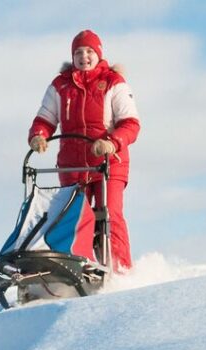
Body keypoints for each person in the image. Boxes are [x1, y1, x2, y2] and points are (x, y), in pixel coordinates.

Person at [27, 29, 141, 270]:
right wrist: (39, 136)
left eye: (89, 51)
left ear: (98, 54)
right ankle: (74, 267)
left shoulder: (113, 82)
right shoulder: (60, 85)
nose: (84, 56)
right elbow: (45, 119)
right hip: (73, 166)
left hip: (108, 163)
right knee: (72, 217)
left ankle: (120, 270)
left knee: (109, 214)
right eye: (79, 52)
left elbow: (131, 123)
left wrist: (112, 142)